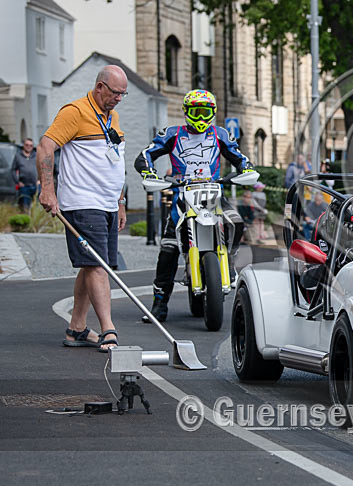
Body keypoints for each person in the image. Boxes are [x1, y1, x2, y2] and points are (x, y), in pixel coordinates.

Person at [134, 89, 254, 322]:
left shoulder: (220, 134)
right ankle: (159, 304)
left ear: (213, 113)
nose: (200, 117)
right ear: (186, 112)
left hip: (213, 195)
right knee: (168, 249)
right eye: (195, 112)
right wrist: (149, 172)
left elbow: (240, 158)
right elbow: (145, 155)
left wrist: (246, 170)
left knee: (237, 222)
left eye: (205, 112)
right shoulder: (172, 134)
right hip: (182, 197)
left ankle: (228, 261)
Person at [37, 65, 128, 351]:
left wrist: (120, 202)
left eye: (123, 94)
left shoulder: (112, 117)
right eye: (115, 93)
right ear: (100, 87)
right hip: (83, 202)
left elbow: (115, 162)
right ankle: (108, 329)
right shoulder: (74, 112)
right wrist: (47, 189)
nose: (119, 99)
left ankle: (76, 328)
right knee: (97, 265)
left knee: (93, 265)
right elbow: (45, 147)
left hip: (107, 204)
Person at [12, 138, 38, 211]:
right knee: (24, 207)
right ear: (23, 145)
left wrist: (39, 180)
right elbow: (13, 170)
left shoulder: (36, 155)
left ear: (33, 146)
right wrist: (17, 182)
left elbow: (41, 168)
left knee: (36, 208)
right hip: (24, 186)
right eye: (27, 145)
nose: (29, 146)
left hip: (35, 185)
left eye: (31, 145)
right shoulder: (18, 156)